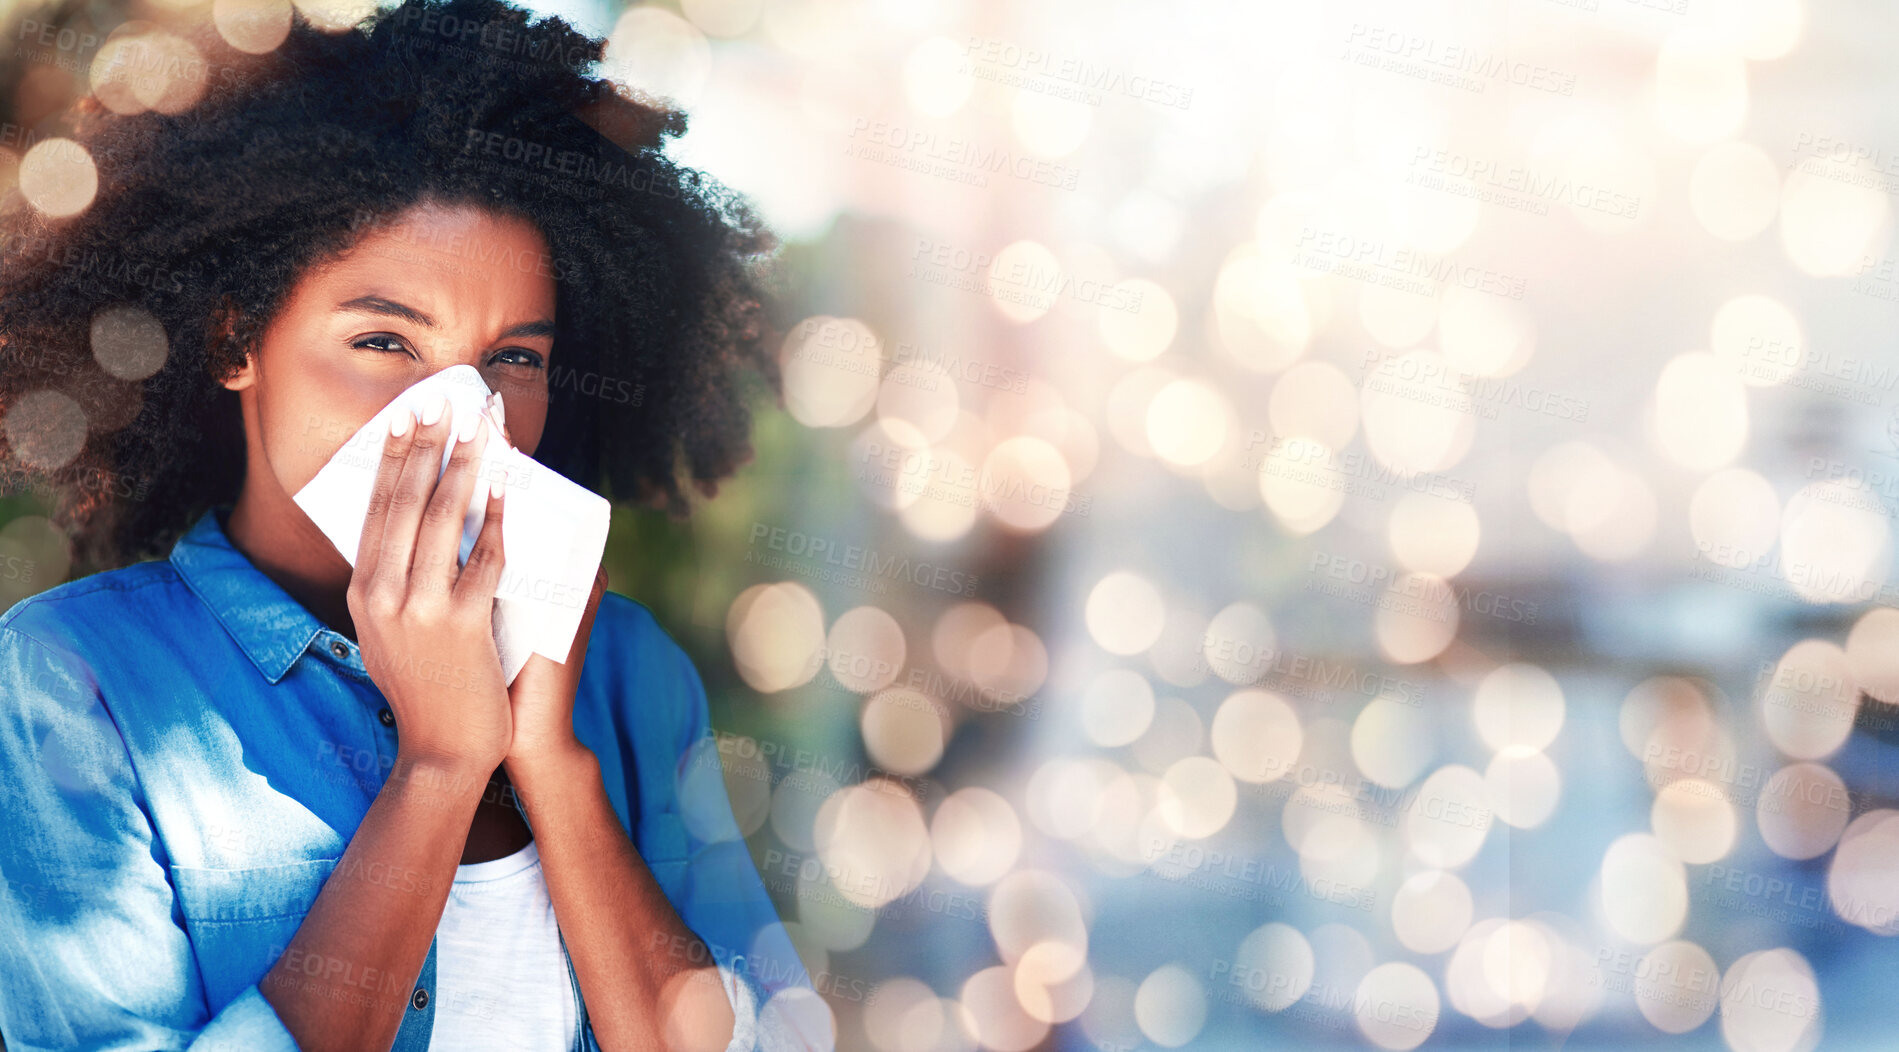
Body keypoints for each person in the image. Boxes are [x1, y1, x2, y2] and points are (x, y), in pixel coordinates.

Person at [0, 1, 828, 1049]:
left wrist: (551, 763)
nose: (463, 414)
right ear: (235, 338)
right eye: (387, 339)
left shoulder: (631, 675)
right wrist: (439, 769)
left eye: (513, 357)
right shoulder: (76, 679)